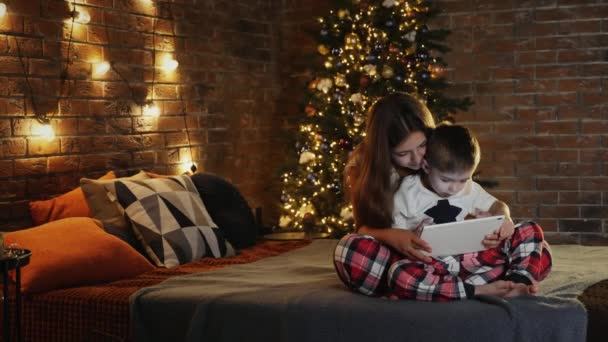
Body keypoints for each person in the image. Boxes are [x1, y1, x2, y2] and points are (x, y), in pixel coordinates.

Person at [333, 93, 552, 300]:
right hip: (418, 260)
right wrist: (395, 236)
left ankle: (513, 281)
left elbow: (495, 206)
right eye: (403, 153)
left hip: (469, 257)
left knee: (532, 237)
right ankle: (467, 286)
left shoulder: (444, 161)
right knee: (353, 252)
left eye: (422, 146)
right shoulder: (382, 178)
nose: (417, 159)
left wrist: (501, 221)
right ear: (385, 152)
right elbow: (363, 230)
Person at [388, 124, 552, 301]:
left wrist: (504, 220)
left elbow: (498, 205)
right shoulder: (407, 191)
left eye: (463, 180)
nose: (454, 188)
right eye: (445, 180)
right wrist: (413, 236)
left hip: (476, 260)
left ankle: (517, 283)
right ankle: (478, 290)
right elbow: (398, 238)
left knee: (530, 229)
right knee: (398, 273)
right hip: (435, 265)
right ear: (427, 167)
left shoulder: (470, 189)